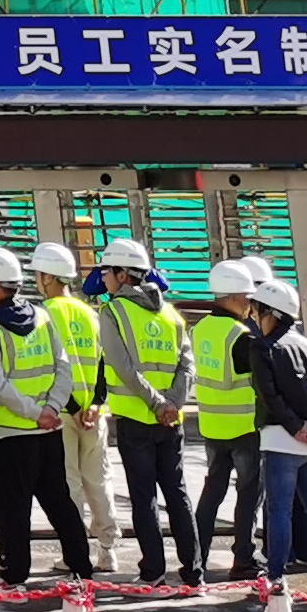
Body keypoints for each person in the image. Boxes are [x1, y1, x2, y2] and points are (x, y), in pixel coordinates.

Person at [0, 248, 92, 587]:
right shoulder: (43, 316)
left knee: (13, 509)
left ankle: (16, 576)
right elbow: (63, 368)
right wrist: (51, 409)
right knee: (60, 503)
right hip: (47, 431)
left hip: (9, 433)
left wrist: (35, 414)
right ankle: (82, 569)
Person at [94, 239, 201, 584]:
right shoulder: (171, 315)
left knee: (145, 499)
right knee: (177, 494)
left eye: (107, 272)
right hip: (170, 422)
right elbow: (187, 365)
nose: (103, 278)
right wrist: (173, 404)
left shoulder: (113, 312)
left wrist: (157, 403)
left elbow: (123, 367)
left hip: (136, 420)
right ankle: (193, 571)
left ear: (123, 275)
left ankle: (153, 570)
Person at [242, 274, 307, 593]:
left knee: (279, 510)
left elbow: (268, 394)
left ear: (271, 313)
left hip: (280, 440)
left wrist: (294, 426)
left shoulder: (263, 348)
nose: (254, 317)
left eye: (257, 311)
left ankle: (275, 577)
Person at [30, 243, 117, 573]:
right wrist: (94, 404)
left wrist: (72, 405)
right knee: (99, 480)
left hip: (61, 413)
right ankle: (108, 550)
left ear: (48, 277)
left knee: (70, 484)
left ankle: (75, 552)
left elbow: (51, 365)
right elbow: (102, 364)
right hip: (93, 414)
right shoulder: (90, 314)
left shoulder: (43, 315)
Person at [187, 261, 265, 585]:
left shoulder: (198, 330)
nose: (250, 304)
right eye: (247, 297)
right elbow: (260, 381)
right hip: (244, 427)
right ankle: (243, 558)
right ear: (233, 297)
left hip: (212, 426)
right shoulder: (241, 336)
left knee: (211, 494)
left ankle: (195, 557)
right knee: (248, 495)